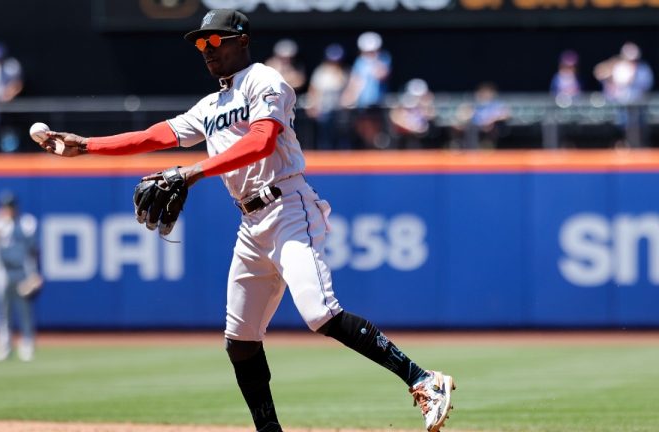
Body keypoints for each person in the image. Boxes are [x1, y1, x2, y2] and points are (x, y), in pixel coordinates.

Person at [37, 9, 455, 432]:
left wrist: (191, 172)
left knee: (319, 313)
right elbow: (154, 136)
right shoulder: (211, 105)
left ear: (241, 40)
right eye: (201, 44)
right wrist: (86, 145)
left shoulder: (265, 81)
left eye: (215, 41)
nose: (206, 50)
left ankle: (423, 379)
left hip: (289, 206)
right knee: (240, 341)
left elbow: (261, 141)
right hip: (250, 224)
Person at [0, 191, 40, 362]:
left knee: (25, 311)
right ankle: (4, 346)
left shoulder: (26, 223)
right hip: (2, 271)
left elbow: (34, 250)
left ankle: (27, 345)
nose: (9, 210)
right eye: (6, 206)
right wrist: (3, 225)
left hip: (22, 271)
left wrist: (36, 273)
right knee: (3, 312)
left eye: (11, 206)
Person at [593, 42, 654, 147]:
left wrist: (633, 78)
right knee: (623, 123)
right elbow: (599, 72)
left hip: (639, 106)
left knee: (638, 126)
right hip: (622, 105)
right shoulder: (619, 67)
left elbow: (646, 84)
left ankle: (639, 145)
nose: (631, 61)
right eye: (628, 58)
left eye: (633, 59)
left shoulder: (643, 69)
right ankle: (625, 143)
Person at [341, 31, 392, 149]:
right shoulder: (360, 62)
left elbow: (382, 75)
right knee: (362, 128)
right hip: (362, 104)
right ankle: (368, 147)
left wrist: (374, 60)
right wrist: (348, 97)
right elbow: (355, 81)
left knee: (377, 128)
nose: (369, 53)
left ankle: (377, 147)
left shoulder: (384, 58)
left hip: (377, 103)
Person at [305, 43, 350, 149]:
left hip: (340, 111)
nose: (334, 63)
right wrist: (313, 106)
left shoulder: (344, 71)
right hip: (324, 109)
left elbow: (349, 89)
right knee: (325, 138)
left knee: (341, 138)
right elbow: (313, 90)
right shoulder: (320, 71)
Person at [451, 82, 511, 149]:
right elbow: (467, 114)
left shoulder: (497, 104)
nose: (485, 94)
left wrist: (492, 120)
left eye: (487, 92)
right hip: (476, 126)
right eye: (483, 92)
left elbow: (505, 115)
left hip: (491, 127)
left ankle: (487, 145)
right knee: (470, 126)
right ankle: (469, 149)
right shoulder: (476, 104)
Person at [388, 78, 437, 149]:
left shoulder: (426, 105)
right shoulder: (402, 106)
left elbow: (431, 117)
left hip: (422, 137)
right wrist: (408, 127)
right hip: (405, 137)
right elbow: (395, 118)